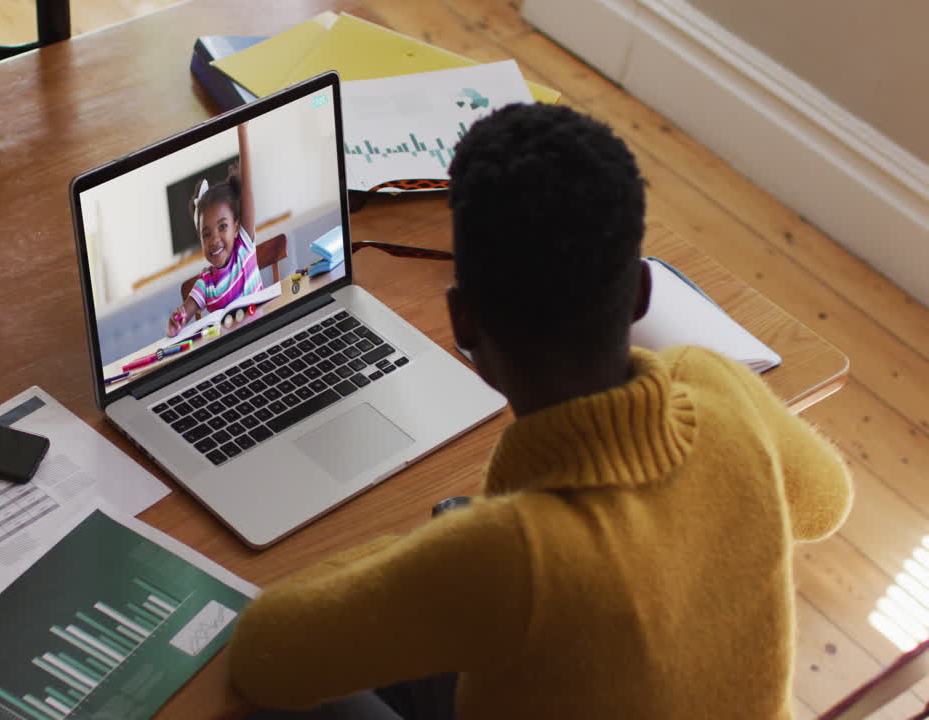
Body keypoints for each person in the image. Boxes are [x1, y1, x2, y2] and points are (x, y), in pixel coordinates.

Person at [226, 103, 853, 719]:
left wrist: (430, 552)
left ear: (463, 321)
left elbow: (263, 654)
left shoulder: (506, 557)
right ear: (639, 291)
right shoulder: (717, 384)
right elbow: (827, 503)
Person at [166, 123, 262, 336]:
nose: (214, 239)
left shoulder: (244, 247)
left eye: (223, 227)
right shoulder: (205, 283)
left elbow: (247, 189)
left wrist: (242, 130)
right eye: (206, 234)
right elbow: (186, 311)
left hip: (263, 335)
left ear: (236, 228)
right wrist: (177, 321)